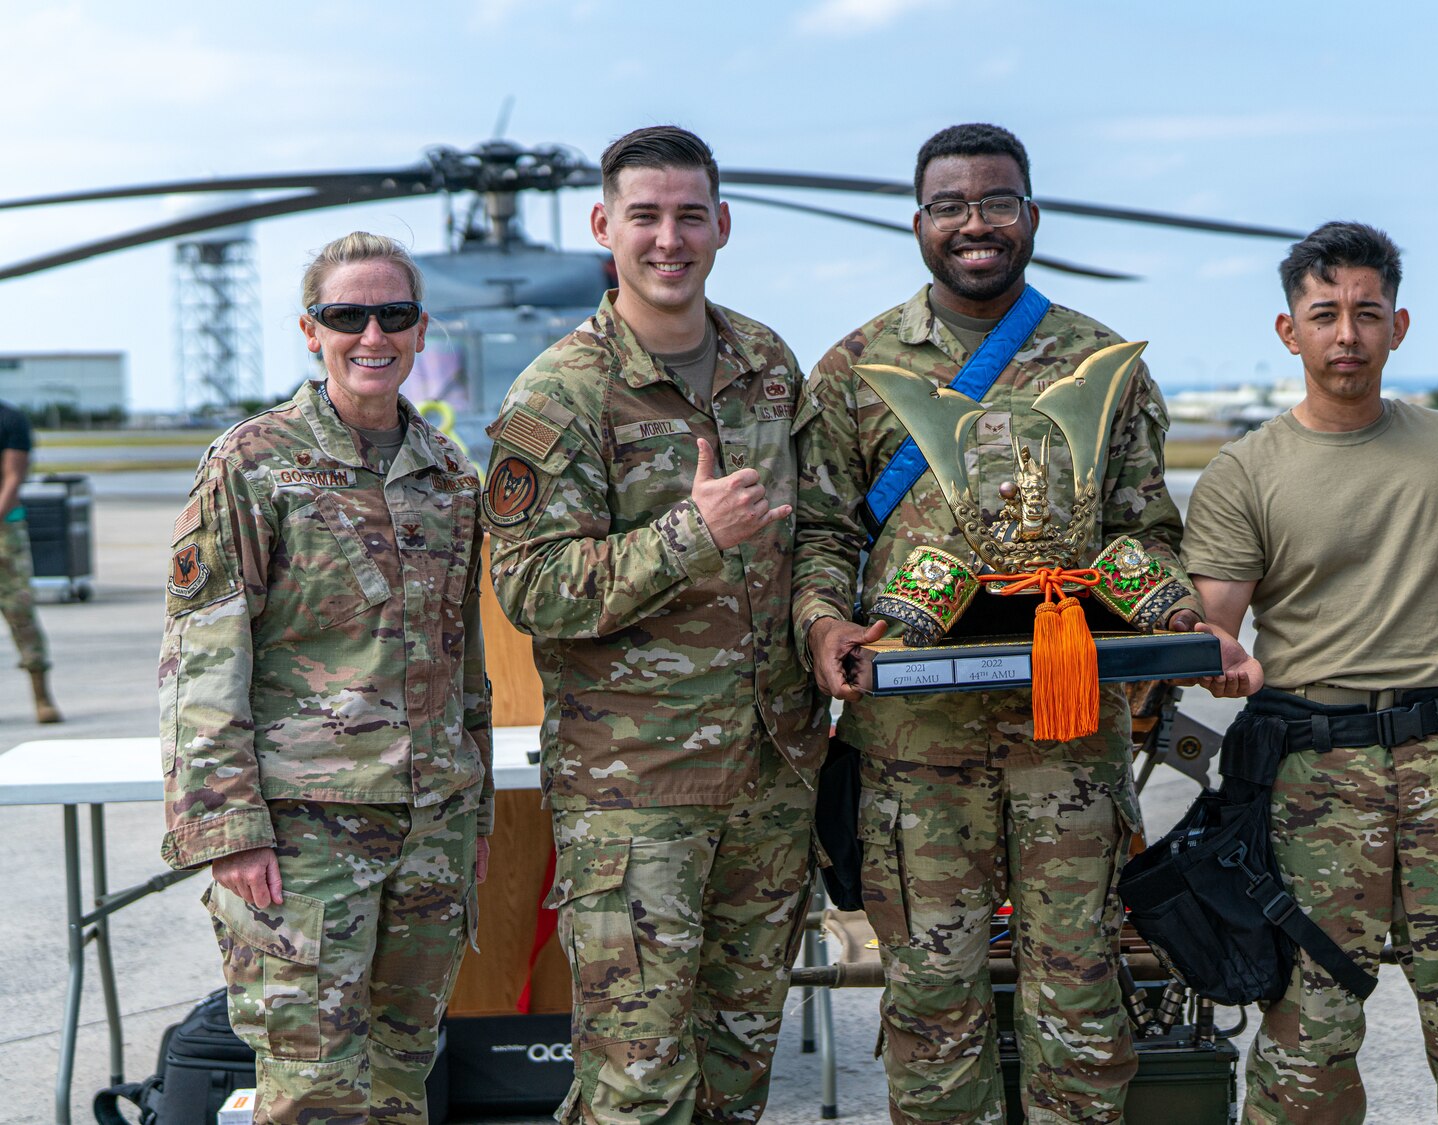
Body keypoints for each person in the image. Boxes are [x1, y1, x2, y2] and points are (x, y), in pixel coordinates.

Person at [792, 122, 1210, 1122]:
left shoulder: (1101, 363)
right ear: (918, 222)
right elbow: (816, 533)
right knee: (932, 1013)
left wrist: (1167, 614)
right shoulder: (856, 367)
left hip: (1066, 740)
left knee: (1079, 998)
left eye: (994, 202)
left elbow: (1142, 527)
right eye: (950, 205)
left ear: (1030, 216)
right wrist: (819, 623)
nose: (972, 223)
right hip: (914, 751)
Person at [1185, 221, 1438, 1125]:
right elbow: (1214, 628)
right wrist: (1220, 657)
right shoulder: (1245, 471)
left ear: (1399, 325)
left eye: (1366, 312)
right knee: (1307, 1042)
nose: (1346, 334)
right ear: (1290, 331)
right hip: (1312, 776)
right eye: (1324, 314)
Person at [483, 126, 821, 1124]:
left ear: (721, 225)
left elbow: (813, 537)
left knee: (733, 1069)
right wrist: (688, 536)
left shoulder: (766, 362)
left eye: (687, 216)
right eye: (644, 216)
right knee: (637, 1083)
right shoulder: (557, 395)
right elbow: (530, 588)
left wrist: (828, 620)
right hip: (638, 794)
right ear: (603, 227)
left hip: (771, 776)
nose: (667, 239)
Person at [159, 232, 492, 1124]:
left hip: (433, 827)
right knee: (312, 1091)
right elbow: (202, 655)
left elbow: (466, 662)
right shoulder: (253, 462)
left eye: (394, 315)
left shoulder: (450, 477)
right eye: (348, 316)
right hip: (307, 834)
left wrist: (476, 813)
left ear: (423, 331)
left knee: (403, 1074)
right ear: (312, 331)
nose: (371, 334)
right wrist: (227, 828)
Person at [0, 398, 58, 722]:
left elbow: (12, 476)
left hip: (4, 530)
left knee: (19, 610)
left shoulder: (9, 419)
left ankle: (41, 695)